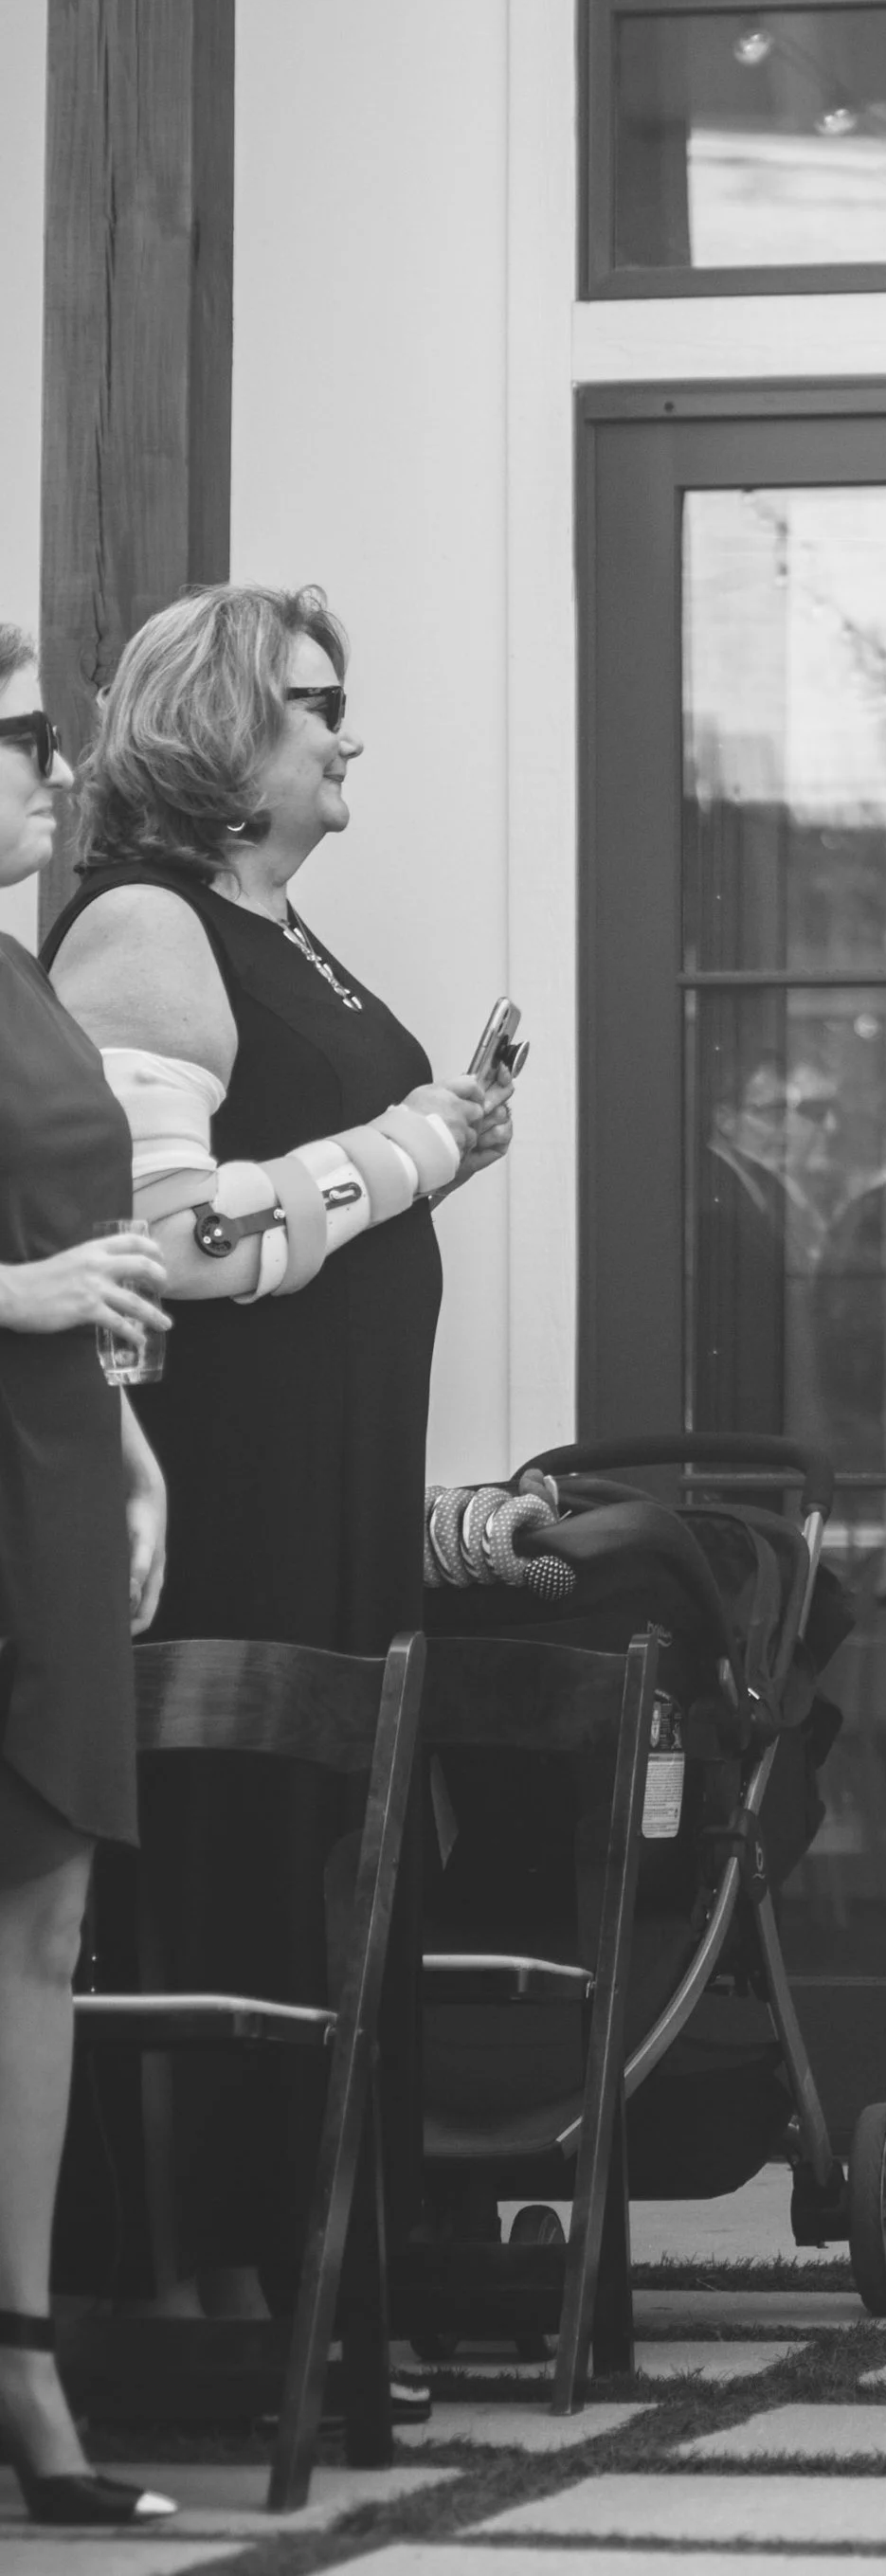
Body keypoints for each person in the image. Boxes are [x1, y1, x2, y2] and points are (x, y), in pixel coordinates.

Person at [43, 585, 511, 2307]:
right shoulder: (146, 927)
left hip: (339, 1488)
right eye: (318, 703)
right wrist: (412, 1149)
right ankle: (223, 2281)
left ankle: (340, 2271)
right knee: (240, 1857)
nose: (349, 732)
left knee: (337, 1853)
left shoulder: (277, 919)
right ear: (228, 730)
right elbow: (162, 1244)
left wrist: (431, 1142)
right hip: (226, 1491)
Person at [0, 622, 177, 2525]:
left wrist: (120, 1432)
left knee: (38, 1929)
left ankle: (26, 2363)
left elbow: (76, 1230)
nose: (55, 770)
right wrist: (15, 1299)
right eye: (19, 736)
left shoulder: (20, 974)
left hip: (49, 1479)